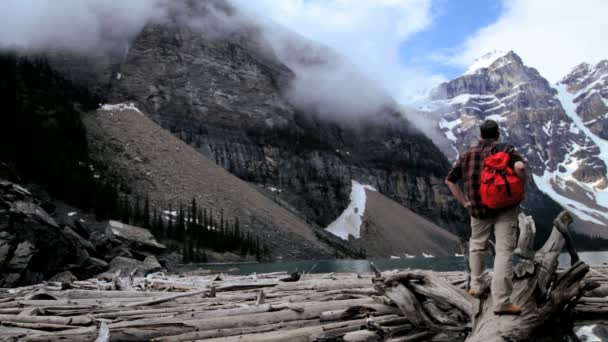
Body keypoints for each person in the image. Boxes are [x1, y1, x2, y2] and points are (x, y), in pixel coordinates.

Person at [445, 119, 526, 315]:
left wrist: (465, 202)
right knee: (504, 251)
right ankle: (502, 301)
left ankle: (477, 286)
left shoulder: (467, 155)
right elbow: (521, 169)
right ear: (497, 134)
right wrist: (521, 186)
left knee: (477, 245)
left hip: (478, 210)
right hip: (505, 208)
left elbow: (450, 179)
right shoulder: (507, 150)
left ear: (480, 135)